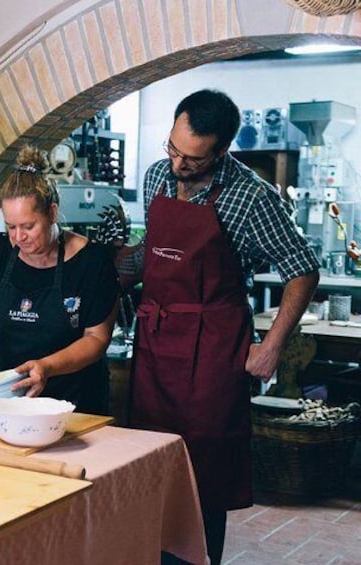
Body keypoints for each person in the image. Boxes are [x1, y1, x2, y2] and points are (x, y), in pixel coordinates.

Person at [122, 89, 320, 564]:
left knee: (204, 472)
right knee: (149, 459)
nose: (176, 164)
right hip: (156, 344)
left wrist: (271, 346)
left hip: (212, 350)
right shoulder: (155, 178)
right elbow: (151, 255)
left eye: (191, 159)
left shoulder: (253, 197)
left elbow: (303, 268)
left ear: (221, 150)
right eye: (172, 148)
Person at [0, 146, 119, 413]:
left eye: (28, 226)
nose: (18, 237)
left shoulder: (92, 263)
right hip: (8, 406)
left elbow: (96, 339)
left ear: (52, 213)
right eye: (11, 227)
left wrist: (47, 367)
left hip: (76, 406)